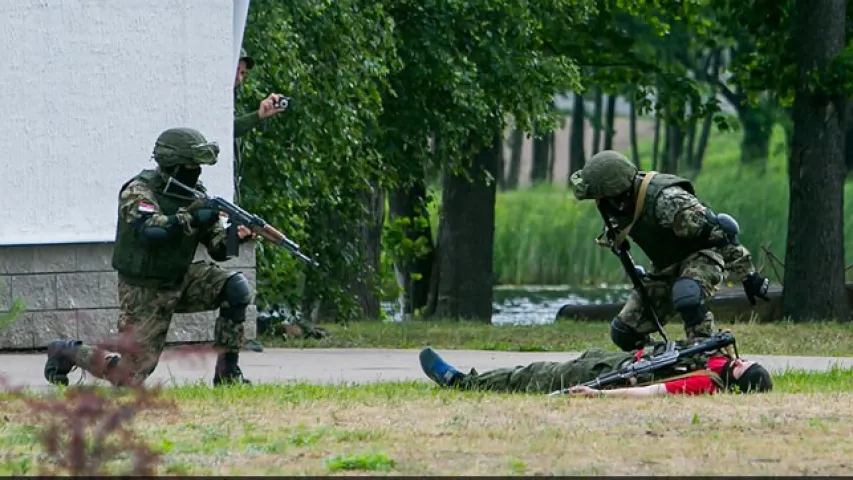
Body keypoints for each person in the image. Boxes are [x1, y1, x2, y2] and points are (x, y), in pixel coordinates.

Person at [44, 127, 258, 388]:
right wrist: (190, 218)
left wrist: (236, 236)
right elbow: (151, 231)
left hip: (181, 278)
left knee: (235, 288)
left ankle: (228, 374)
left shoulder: (195, 193)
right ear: (173, 164)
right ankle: (67, 351)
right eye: (191, 164)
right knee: (127, 377)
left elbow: (218, 250)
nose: (196, 170)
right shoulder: (138, 191)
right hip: (144, 290)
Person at [569, 150, 771, 351]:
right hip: (666, 268)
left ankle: (705, 348)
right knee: (624, 331)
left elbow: (720, 233)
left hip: (703, 255)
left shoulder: (668, 201)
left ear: (612, 188)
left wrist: (748, 276)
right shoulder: (615, 204)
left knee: (687, 294)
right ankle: (657, 358)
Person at [418, 339, 774, 397]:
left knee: (532, 375)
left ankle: (462, 383)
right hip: (619, 359)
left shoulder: (707, 382)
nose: (740, 362)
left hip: (618, 375)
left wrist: (598, 396)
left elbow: (650, 392)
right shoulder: (719, 355)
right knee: (553, 366)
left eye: (744, 369)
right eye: (747, 360)